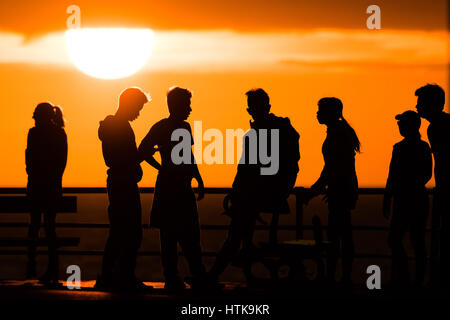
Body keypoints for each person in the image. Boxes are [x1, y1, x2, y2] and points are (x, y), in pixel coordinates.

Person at [208, 88, 300, 284]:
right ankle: (240, 253)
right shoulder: (282, 130)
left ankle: (215, 273)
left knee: (235, 233)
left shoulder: (266, 132)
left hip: (261, 193)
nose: (254, 110)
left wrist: (239, 191)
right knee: (238, 229)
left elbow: (247, 168)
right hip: (262, 192)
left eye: (255, 107)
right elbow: (246, 168)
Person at [139, 87, 207, 291]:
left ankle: (188, 274)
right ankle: (178, 276)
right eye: (187, 105)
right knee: (174, 235)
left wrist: (198, 177)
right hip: (172, 187)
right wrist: (162, 166)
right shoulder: (165, 127)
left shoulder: (177, 128)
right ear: (176, 105)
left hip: (177, 185)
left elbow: (188, 155)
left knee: (185, 234)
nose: (190, 109)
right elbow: (143, 151)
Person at [96, 87, 150, 291]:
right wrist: (142, 155)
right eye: (138, 107)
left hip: (118, 182)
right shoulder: (122, 128)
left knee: (118, 232)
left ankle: (110, 275)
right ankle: (124, 276)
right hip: (124, 184)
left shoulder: (111, 127)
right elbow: (125, 158)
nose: (138, 112)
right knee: (131, 232)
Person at [304, 97, 360, 287]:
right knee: (341, 233)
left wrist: (314, 190)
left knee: (338, 234)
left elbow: (332, 168)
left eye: (320, 110)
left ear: (330, 112)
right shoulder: (338, 131)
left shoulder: (338, 133)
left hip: (341, 188)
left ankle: (337, 277)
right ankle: (339, 276)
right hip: (342, 187)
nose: (317, 113)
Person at [383, 110, 432, 288]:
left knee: (400, 239)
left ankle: (404, 278)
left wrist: (388, 197)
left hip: (405, 199)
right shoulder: (422, 147)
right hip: (416, 198)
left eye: (402, 123)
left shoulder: (402, 148)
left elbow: (393, 176)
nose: (399, 126)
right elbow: (426, 174)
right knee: (414, 240)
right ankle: (414, 280)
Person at [26, 102, 67, 286]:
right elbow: (61, 162)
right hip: (51, 187)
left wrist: (35, 174)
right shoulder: (59, 133)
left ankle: (31, 265)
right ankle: (52, 268)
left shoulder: (34, 134)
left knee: (35, 226)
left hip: (37, 186)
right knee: (50, 228)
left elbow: (29, 159)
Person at [415, 84, 450, 288]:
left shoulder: (436, 127)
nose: (417, 106)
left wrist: (441, 189)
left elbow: (442, 162)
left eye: (421, 102)